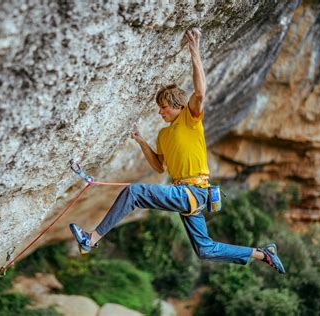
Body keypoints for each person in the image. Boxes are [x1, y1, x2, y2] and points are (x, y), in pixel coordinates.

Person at [69, 28, 285, 273]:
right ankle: (261, 253)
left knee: (134, 192)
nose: (160, 112)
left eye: (163, 108)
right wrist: (141, 141)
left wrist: (194, 48)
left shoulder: (189, 119)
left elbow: (200, 91)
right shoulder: (163, 135)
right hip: (186, 193)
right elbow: (159, 166)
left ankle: (91, 240)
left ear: (176, 105)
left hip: (194, 191)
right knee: (205, 250)